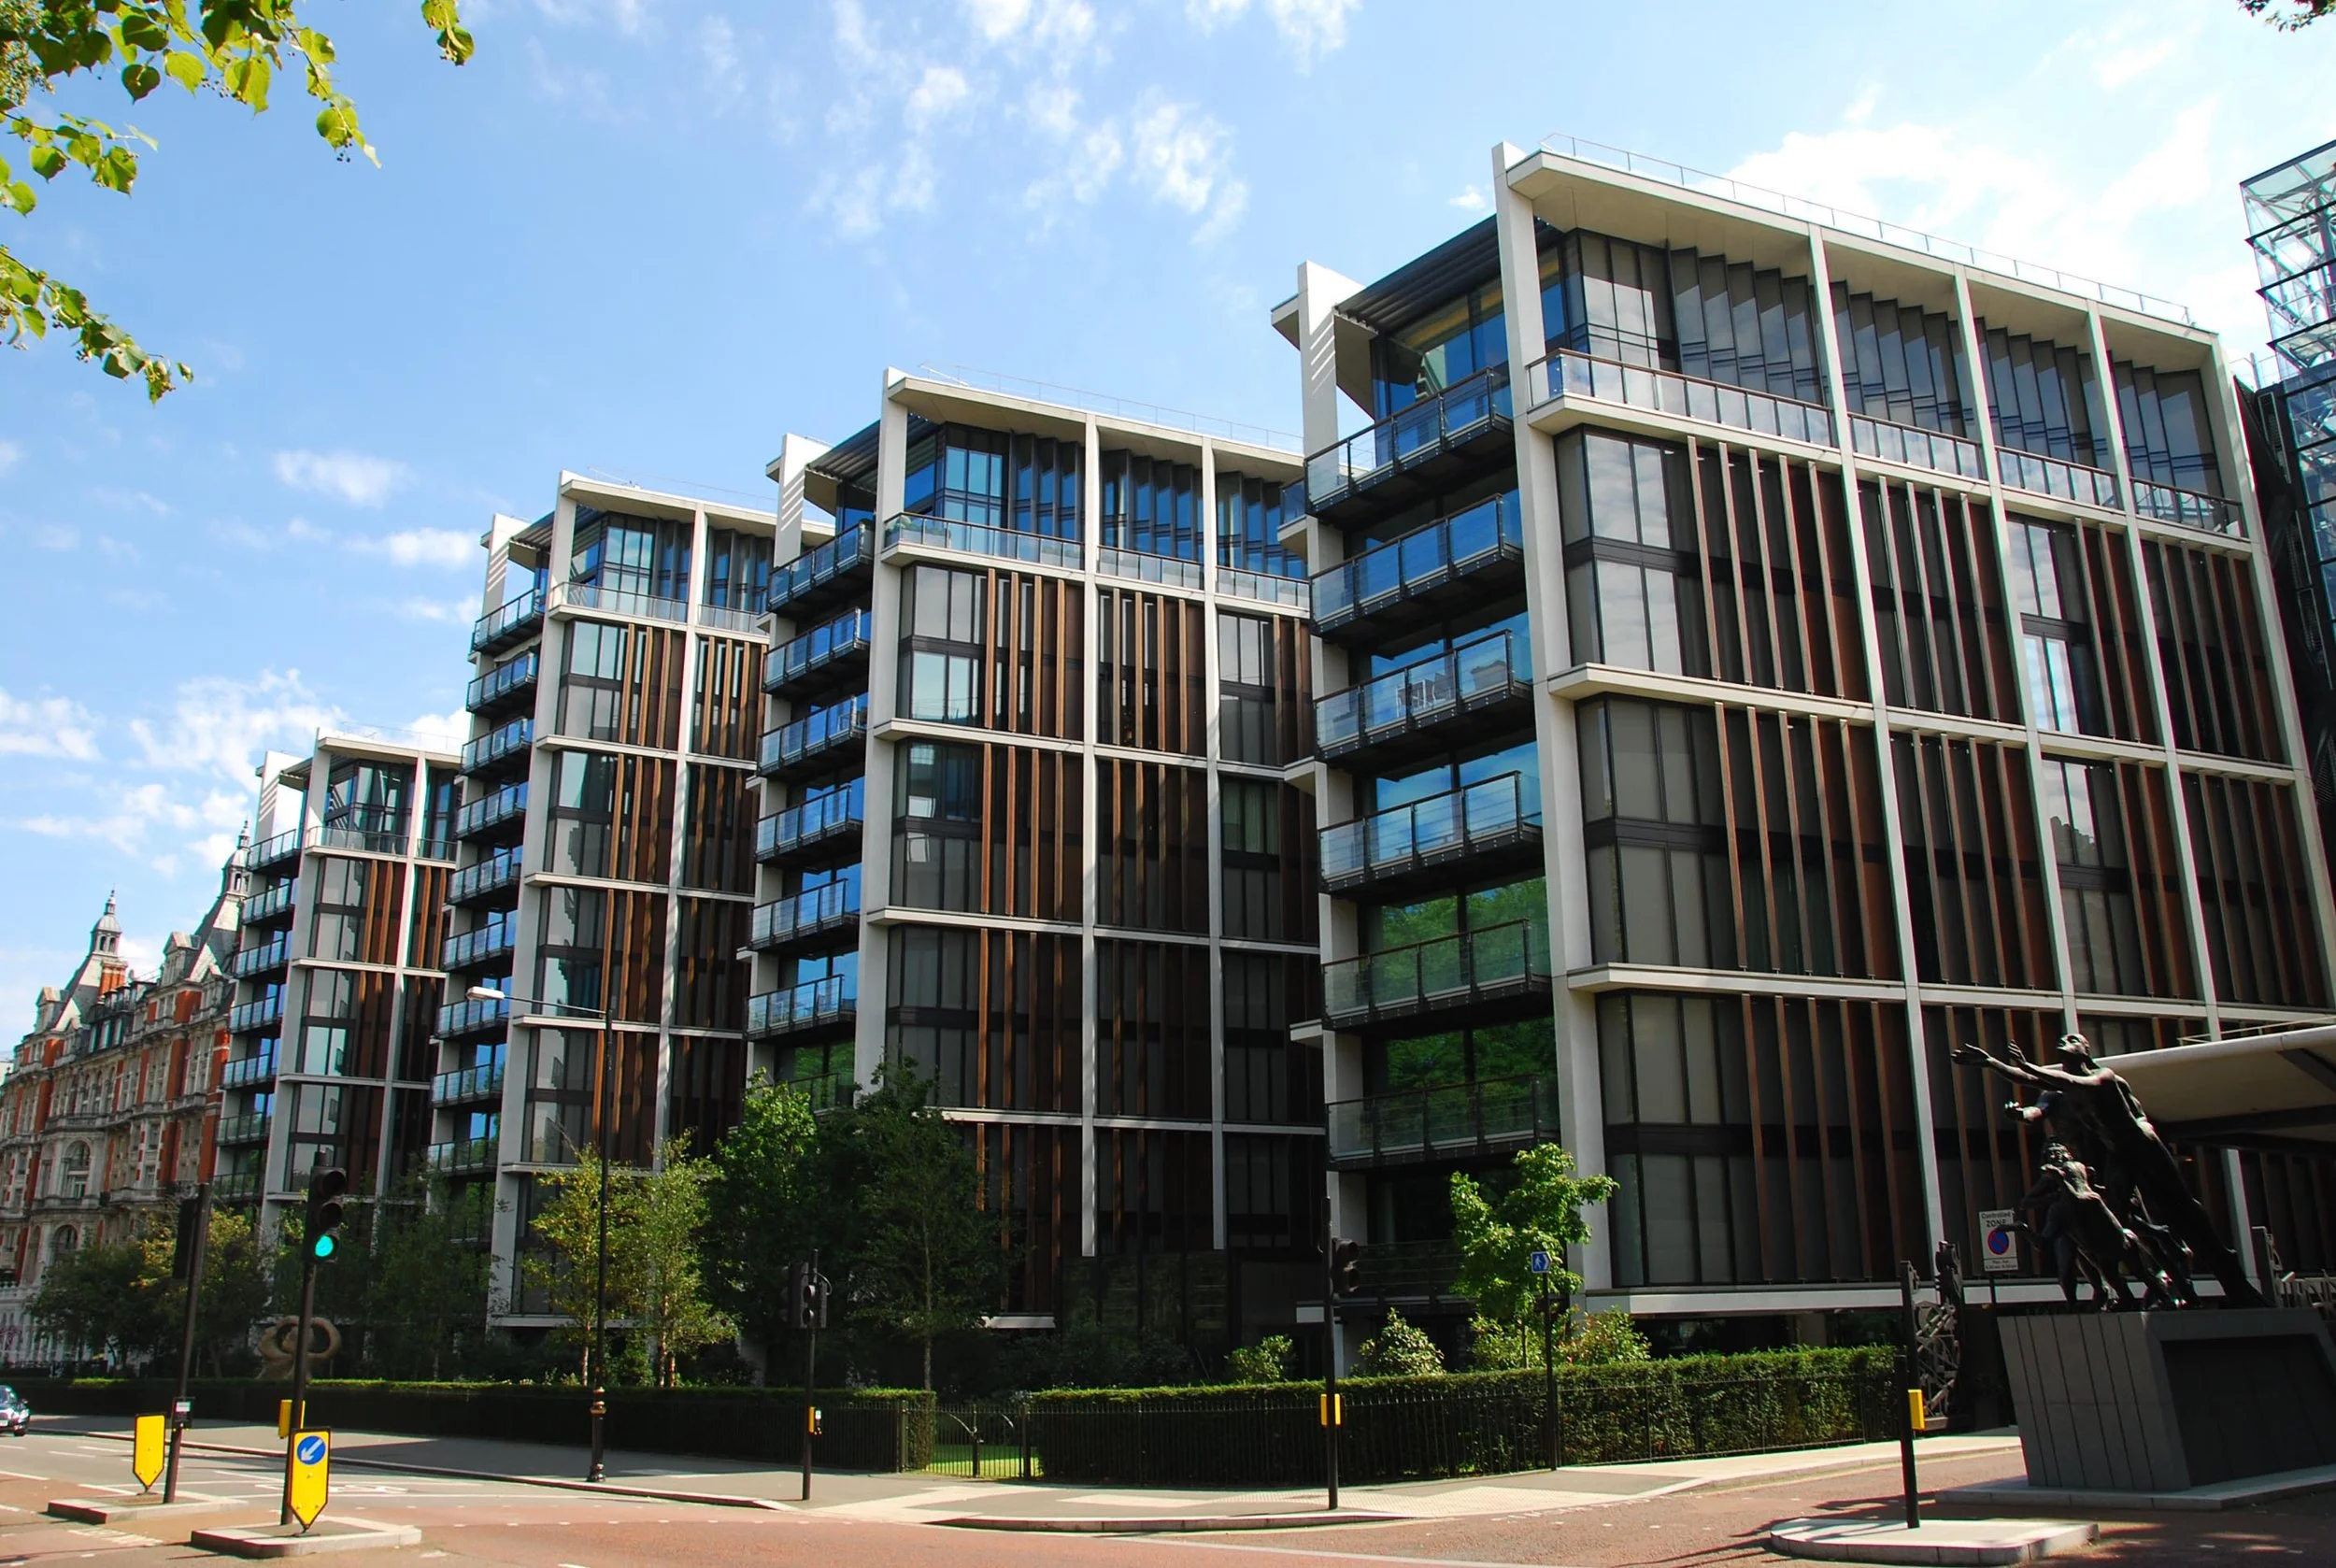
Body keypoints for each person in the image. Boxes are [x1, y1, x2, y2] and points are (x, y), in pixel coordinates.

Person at [1952, 1033, 2261, 1307]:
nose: (2063, 1042)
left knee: (2183, 1210)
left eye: (2072, 1039)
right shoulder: (2058, 1083)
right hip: (2118, 1155)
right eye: (2062, 1040)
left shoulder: (2104, 1077)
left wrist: (2029, 1065)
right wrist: (1991, 1063)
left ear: (2086, 1051)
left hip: (2143, 1146)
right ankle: (2142, 1279)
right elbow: (2030, 1085)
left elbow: (2067, 1082)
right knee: (2111, 1220)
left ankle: (2217, 1276)